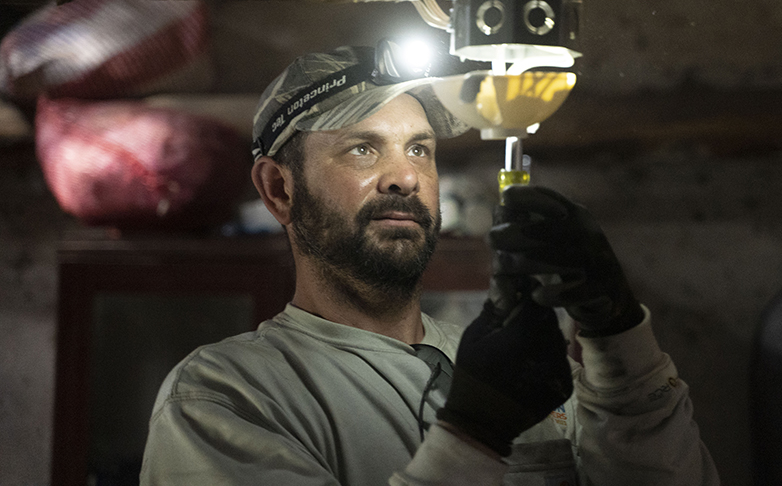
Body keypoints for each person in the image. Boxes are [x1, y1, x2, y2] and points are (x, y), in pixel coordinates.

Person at [140, 46, 720, 486]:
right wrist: (474, 433)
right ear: (279, 190)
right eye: (362, 148)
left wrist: (619, 338)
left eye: (420, 148)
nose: (406, 176)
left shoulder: (518, 367)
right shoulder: (224, 398)